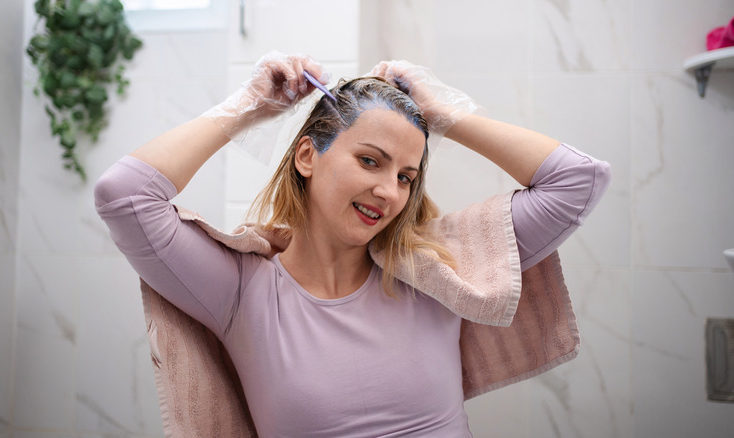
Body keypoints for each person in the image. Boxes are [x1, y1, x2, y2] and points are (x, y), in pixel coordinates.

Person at [95, 53, 611, 437]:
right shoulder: (239, 293)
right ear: (306, 157)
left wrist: (444, 115)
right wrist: (248, 108)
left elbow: (579, 180)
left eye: (407, 176)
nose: (390, 191)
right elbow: (125, 196)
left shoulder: (435, 273)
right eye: (370, 160)